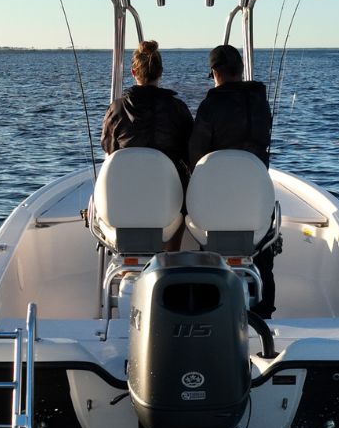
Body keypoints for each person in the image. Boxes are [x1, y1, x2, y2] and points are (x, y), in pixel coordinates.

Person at [189, 44, 278, 318]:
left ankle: (205, 305)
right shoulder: (261, 104)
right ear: (240, 71)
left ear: (215, 73)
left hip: (216, 207)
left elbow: (195, 155)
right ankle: (264, 312)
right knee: (263, 250)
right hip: (255, 207)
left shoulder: (210, 106)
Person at [100, 40, 194, 185]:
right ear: (160, 72)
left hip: (127, 189)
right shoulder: (178, 108)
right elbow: (190, 152)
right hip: (171, 193)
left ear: (133, 72)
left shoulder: (116, 109)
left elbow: (109, 149)